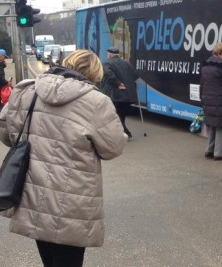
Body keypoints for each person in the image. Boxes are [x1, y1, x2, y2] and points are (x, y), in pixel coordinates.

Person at [0, 50, 127, 267]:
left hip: (33, 194)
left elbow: (6, 133)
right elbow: (112, 148)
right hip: (73, 202)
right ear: (95, 73)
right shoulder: (96, 101)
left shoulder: (28, 90)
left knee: (49, 258)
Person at [100, 47, 138, 139]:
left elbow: (109, 74)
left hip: (115, 94)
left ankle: (124, 132)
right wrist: (128, 83)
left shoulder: (107, 63)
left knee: (114, 114)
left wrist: (118, 83)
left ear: (109, 55)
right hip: (128, 95)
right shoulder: (127, 63)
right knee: (121, 114)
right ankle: (124, 132)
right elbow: (136, 75)